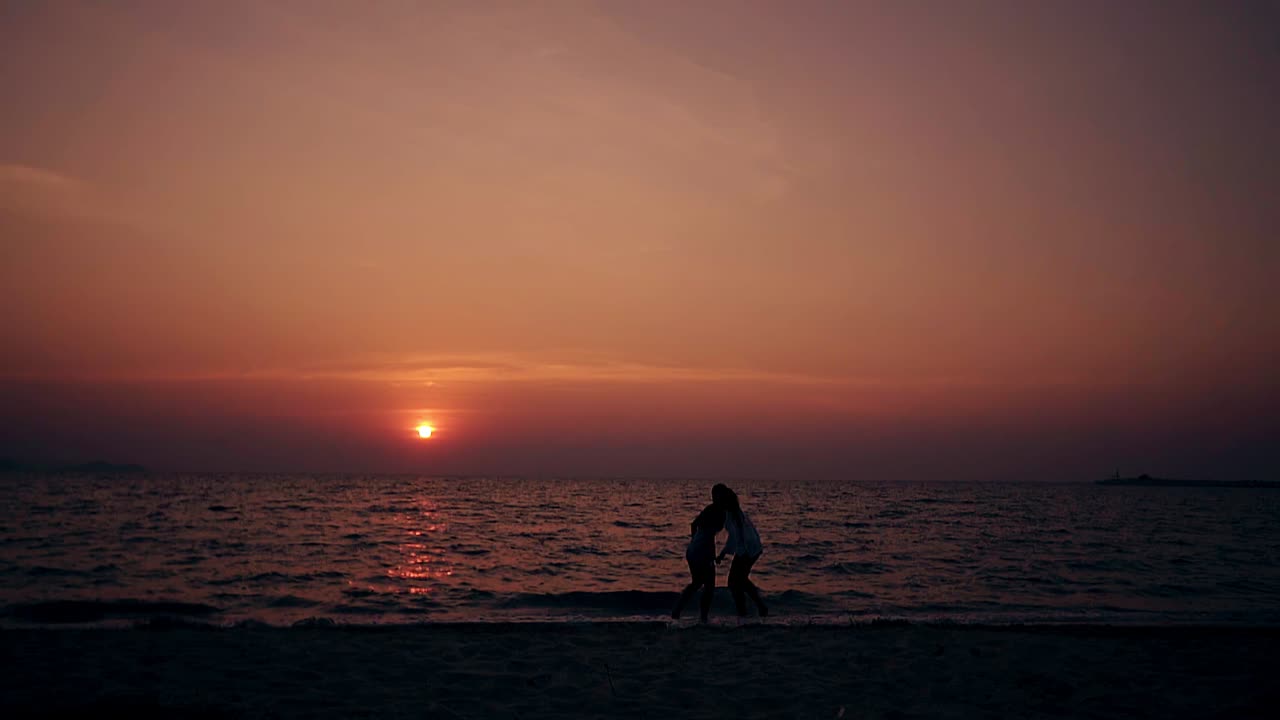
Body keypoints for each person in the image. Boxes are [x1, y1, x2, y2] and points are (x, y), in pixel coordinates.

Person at [713, 483, 768, 618]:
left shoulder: (731, 513)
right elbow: (735, 537)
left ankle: (747, 610)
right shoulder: (733, 510)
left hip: (748, 549)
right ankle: (752, 608)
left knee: (735, 582)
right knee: (739, 581)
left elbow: (735, 537)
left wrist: (722, 554)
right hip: (750, 547)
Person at [671, 489, 725, 623]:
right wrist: (711, 554)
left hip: (694, 549)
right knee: (708, 586)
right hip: (701, 551)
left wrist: (694, 541)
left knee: (697, 583)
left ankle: (678, 611)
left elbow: (694, 525)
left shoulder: (710, 509)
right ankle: (702, 617)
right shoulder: (717, 511)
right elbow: (707, 537)